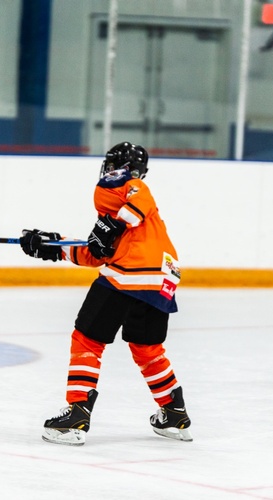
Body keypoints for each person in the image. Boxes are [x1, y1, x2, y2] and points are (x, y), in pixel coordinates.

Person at [19, 141, 192, 445]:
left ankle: (77, 413)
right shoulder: (127, 215)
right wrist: (53, 246)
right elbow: (98, 252)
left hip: (130, 274)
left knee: (88, 339)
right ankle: (174, 413)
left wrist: (111, 225)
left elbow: (138, 206)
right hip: (163, 280)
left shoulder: (128, 187)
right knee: (146, 348)